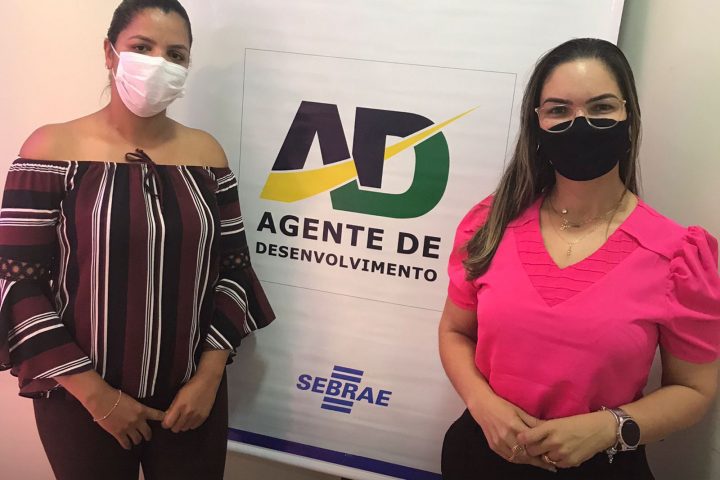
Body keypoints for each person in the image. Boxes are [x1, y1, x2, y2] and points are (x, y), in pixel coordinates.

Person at [0, 1, 274, 479]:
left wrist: (209, 377)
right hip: (79, 398)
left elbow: (234, 272)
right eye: (142, 48)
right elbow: (17, 284)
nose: (159, 64)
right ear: (110, 53)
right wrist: (98, 398)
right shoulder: (48, 149)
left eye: (175, 55)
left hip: (190, 398)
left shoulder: (207, 155)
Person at [438, 38, 720, 479]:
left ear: (629, 117)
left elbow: (694, 390)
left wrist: (609, 427)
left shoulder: (678, 256)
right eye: (559, 110)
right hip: (480, 456)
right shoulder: (489, 225)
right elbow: (455, 331)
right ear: (537, 123)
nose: (581, 124)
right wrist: (482, 403)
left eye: (601, 107)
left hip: (602, 467)